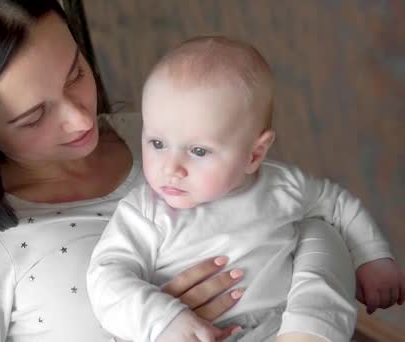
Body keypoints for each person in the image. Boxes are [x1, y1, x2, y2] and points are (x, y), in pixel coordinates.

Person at [0, 1, 374, 341]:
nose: (83, 118)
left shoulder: (160, 134)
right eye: (34, 115)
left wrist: (312, 324)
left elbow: (306, 220)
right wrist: (151, 319)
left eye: (76, 72)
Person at [87, 36, 405, 342]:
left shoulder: (281, 187)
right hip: (195, 331)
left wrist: (372, 257)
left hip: (280, 327)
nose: (171, 168)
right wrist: (163, 320)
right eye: (157, 143)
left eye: (198, 151)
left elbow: (337, 205)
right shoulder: (145, 212)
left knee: (320, 239)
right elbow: (107, 277)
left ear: (254, 154)